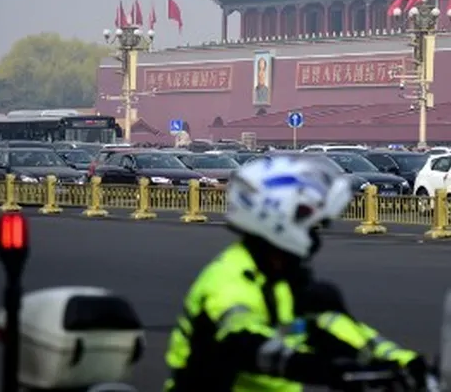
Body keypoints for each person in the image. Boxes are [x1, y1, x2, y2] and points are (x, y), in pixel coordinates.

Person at [164, 156, 430, 391]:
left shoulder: (288, 278)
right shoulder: (227, 278)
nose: (316, 236)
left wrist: (409, 364)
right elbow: (242, 340)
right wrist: (325, 369)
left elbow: (342, 330)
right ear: (278, 221)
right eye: (312, 226)